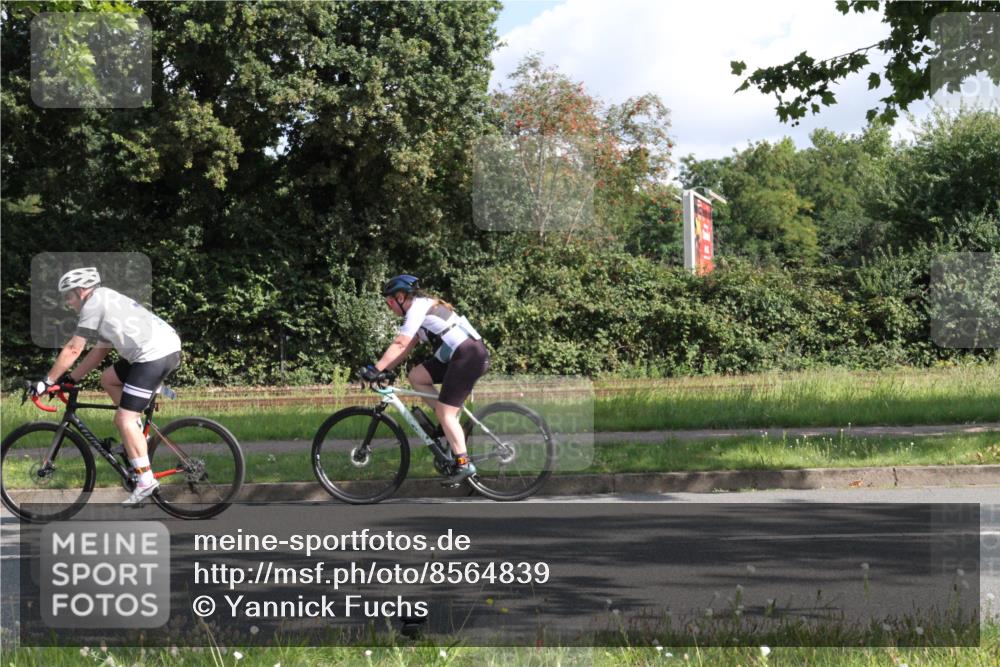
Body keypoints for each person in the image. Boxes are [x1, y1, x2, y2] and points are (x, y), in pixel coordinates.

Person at [29, 267, 182, 506]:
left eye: (68, 296)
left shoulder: (94, 304)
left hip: (154, 355)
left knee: (123, 420)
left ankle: (146, 480)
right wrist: (71, 379)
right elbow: (99, 351)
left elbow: (73, 349)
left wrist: (46, 382)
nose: (67, 302)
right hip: (161, 349)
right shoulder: (106, 300)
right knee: (108, 379)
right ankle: (138, 435)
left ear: (80, 291)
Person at [362, 274, 490, 485]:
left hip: (468, 356)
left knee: (445, 411)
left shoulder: (417, 309)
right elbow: (407, 348)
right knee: (416, 376)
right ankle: (448, 422)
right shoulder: (421, 309)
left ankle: (464, 463)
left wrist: (374, 370)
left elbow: (400, 343)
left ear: (402, 297)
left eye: (390, 302)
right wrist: (384, 370)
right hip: (459, 354)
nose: (389, 306)